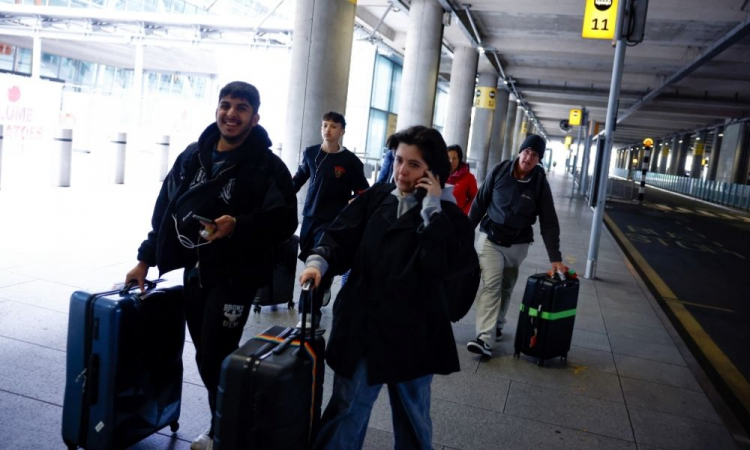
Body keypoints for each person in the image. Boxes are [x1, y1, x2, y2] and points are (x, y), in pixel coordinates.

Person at [124, 81, 297, 450]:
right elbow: (166, 210)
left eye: (241, 108)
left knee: (217, 351)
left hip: (237, 275)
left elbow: (285, 221)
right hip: (196, 270)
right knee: (205, 353)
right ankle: (231, 420)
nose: (231, 114)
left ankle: (225, 431)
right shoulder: (193, 157)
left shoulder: (268, 167)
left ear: (255, 118)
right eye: (226, 105)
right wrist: (144, 259)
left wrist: (240, 225)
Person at [299, 126, 476, 449]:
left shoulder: (449, 217)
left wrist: (431, 210)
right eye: (398, 160)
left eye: (414, 164)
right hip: (363, 325)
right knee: (347, 408)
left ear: (433, 172)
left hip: (414, 334)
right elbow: (340, 236)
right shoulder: (377, 198)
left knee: (411, 415)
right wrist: (318, 263)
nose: (402, 171)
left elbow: (445, 266)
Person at [466, 134, 566, 357]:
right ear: (520, 152)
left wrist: (555, 257)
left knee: (506, 286)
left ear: (539, 160)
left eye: (535, 155)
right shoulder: (500, 171)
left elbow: (549, 221)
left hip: (517, 244)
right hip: (490, 239)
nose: (529, 158)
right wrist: (464, 233)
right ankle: (485, 338)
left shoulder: (539, 184)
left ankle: (497, 323)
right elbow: (480, 203)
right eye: (527, 151)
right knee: (491, 285)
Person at [292, 111, 369, 325]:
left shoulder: (350, 162)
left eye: (333, 126)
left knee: (318, 260)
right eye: (325, 125)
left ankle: (308, 314)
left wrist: (354, 202)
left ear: (342, 131)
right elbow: (298, 179)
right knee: (310, 260)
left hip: (332, 223)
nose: (328, 130)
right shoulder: (311, 153)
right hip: (310, 218)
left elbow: (363, 192)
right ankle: (324, 285)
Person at [446, 144, 478, 214]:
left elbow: (474, 199)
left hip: (457, 216)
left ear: (459, 160)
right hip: (438, 216)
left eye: (454, 158)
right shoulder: (438, 175)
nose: (451, 161)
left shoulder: (469, 177)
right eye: (448, 158)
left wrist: (463, 213)